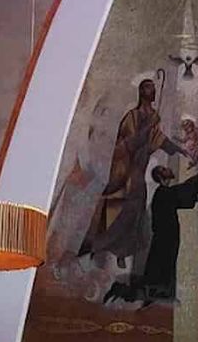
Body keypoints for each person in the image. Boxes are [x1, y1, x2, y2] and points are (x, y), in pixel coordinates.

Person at [78, 77, 186, 267]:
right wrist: (145, 129)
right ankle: (97, 247)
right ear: (141, 93)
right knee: (115, 209)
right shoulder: (132, 116)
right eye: (147, 88)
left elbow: (160, 139)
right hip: (124, 172)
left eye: (153, 88)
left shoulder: (154, 118)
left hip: (139, 173)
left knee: (135, 212)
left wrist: (179, 149)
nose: (151, 91)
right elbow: (124, 145)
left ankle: (122, 251)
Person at [102, 161, 198, 305]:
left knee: (163, 266)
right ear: (161, 176)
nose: (168, 169)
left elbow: (183, 191)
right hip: (165, 236)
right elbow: (184, 189)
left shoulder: (166, 192)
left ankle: (157, 295)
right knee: (161, 267)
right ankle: (125, 291)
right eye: (164, 169)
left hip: (168, 235)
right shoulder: (163, 192)